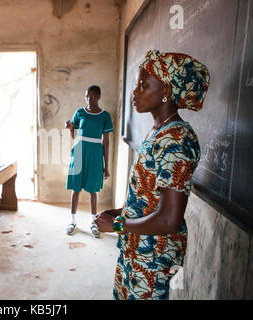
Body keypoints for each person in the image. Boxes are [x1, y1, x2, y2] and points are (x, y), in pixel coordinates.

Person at [95, 50, 209, 300]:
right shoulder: (156, 132)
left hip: (153, 258)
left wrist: (117, 225)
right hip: (136, 246)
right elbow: (148, 195)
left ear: (167, 91)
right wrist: (120, 212)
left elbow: (169, 219)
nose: (135, 92)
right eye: (137, 85)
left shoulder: (177, 140)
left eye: (144, 86)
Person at [65, 85, 114, 238]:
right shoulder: (79, 113)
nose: (88, 99)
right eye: (86, 96)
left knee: (93, 190)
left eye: (92, 96)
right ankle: (72, 221)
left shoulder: (105, 116)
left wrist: (106, 167)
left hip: (95, 154)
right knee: (76, 188)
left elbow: (106, 142)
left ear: (98, 97)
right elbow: (74, 136)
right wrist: (70, 128)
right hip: (79, 152)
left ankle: (94, 222)